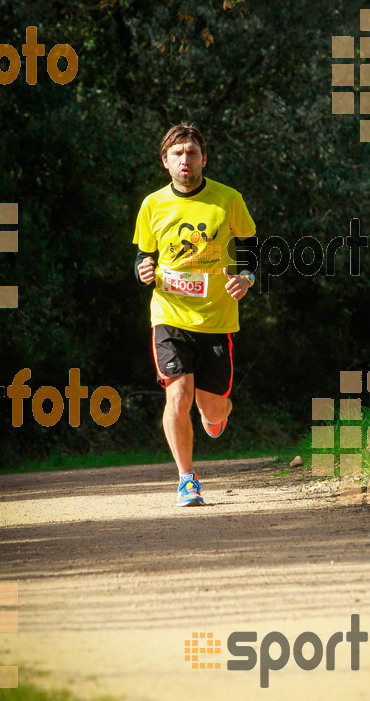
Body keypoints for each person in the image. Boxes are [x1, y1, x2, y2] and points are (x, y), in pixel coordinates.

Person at [133, 122, 257, 507]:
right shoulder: (152, 205)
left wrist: (247, 277)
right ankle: (187, 479)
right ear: (165, 162)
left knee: (211, 406)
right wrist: (143, 269)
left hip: (217, 319)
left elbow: (250, 244)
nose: (185, 160)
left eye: (192, 153)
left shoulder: (228, 199)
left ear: (204, 158)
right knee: (178, 395)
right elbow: (143, 255)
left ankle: (221, 410)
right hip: (169, 314)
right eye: (177, 154)